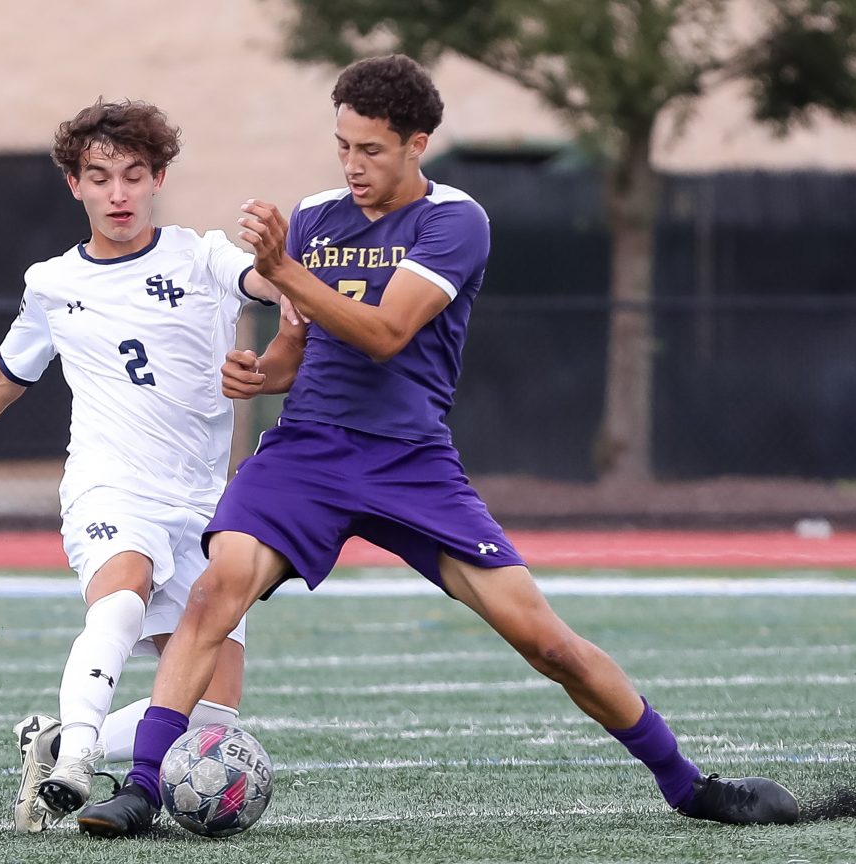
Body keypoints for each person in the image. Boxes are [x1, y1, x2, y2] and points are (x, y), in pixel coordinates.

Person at [75, 55, 801, 838]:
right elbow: (297, 344)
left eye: (372, 149)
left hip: (407, 461)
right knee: (217, 593)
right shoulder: (316, 215)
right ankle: (141, 789)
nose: (352, 165)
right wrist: (261, 371)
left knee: (545, 641)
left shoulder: (456, 220)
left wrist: (284, 267)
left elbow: (386, 333)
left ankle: (689, 784)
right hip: (306, 452)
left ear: (417, 144)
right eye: (343, 145)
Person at [0, 98, 287, 833]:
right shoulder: (51, 282)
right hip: (109, 483)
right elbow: (6, 373)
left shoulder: (201, 256)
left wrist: (282, 268)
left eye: (134, 176)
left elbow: (271, 287)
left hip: (204, 502)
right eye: (100, 177)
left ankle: (50, 740)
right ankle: (79, 758)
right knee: (123, 589)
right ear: (73, 184)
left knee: (214, 710)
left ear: (158, 179)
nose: (118, 194)